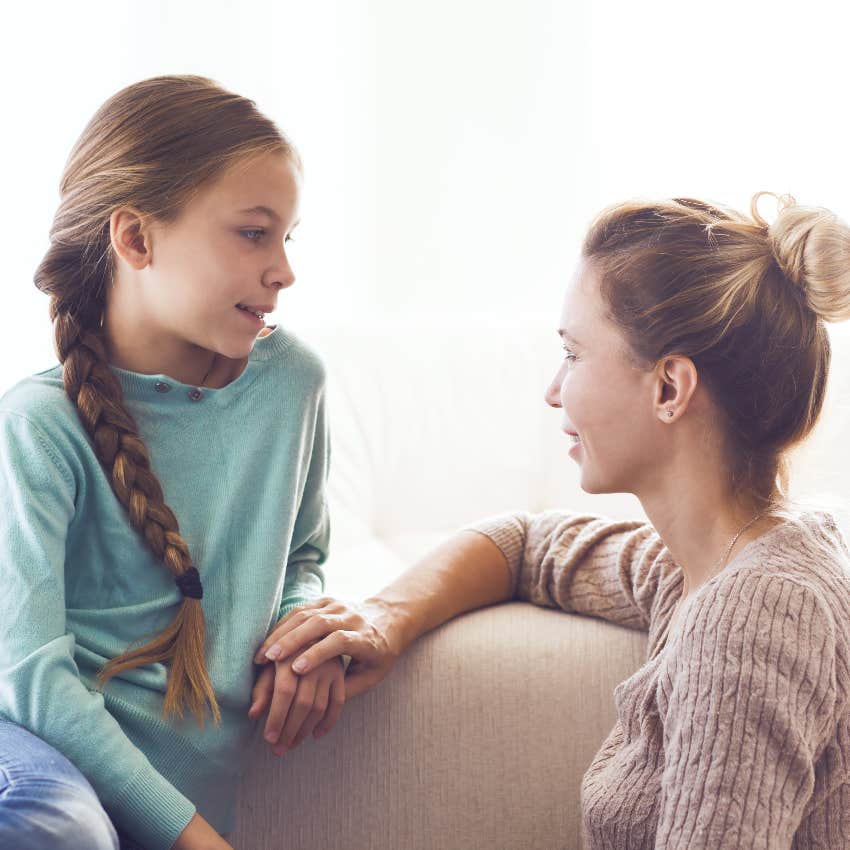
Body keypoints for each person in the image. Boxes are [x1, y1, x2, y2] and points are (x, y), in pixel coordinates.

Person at [254, 192, 850, 847]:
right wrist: (386, 617)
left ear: (669, 388)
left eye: (573, 353)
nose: (553, 390)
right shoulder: (702, 568)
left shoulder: (752, 612)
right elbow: (528, 545)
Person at [0, 75, 347, 850]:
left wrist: (304, 631)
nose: (284, 269)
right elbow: (28, 682)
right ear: (135, 239)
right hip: (33, 752)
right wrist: (191, 836)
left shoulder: (294, 385)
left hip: (162, 797)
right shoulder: (39, 424)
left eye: (289, 237)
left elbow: (304, 556)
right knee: (55, 829)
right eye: (254, 234)